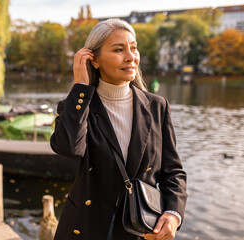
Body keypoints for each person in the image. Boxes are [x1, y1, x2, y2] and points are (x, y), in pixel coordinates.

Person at [50, 19, 187, 240]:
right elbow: (69, 149)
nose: (131, 56)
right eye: (118, 49)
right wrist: (81, 89)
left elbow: (173, 171)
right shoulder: (79, 105)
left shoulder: (157, 106)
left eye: (133, 48)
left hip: (139, 227)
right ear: (94, 60)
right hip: (84, 227)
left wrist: (173, 214)